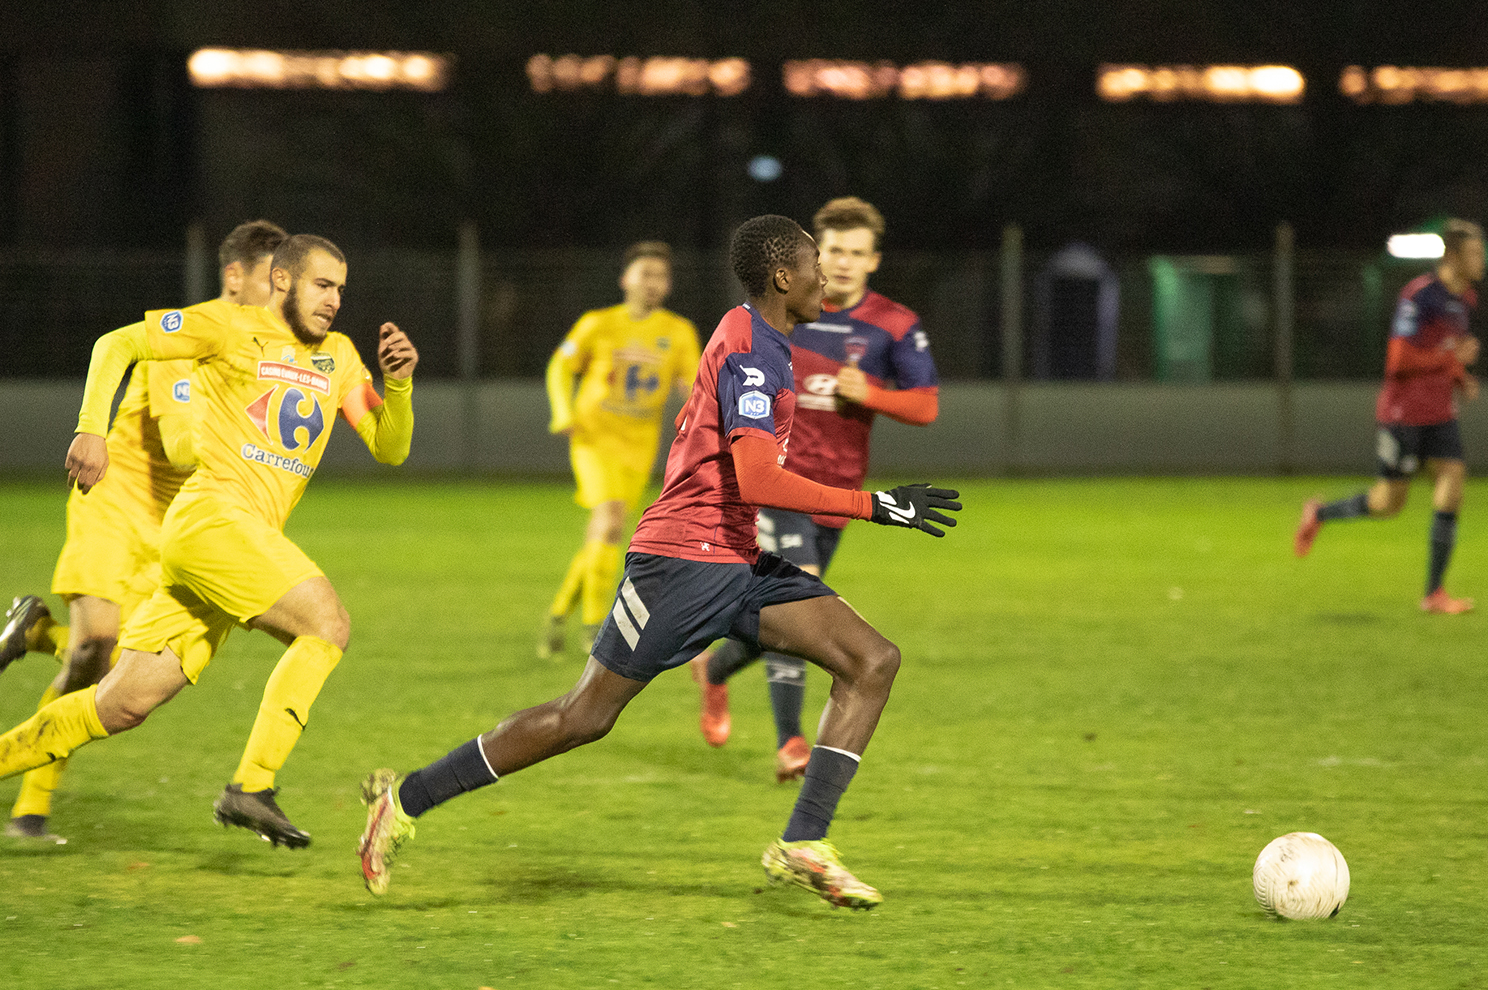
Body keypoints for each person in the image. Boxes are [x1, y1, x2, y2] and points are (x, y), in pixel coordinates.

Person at [358, 214, 960, 908]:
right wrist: (877, 506)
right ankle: (406, 800)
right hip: (684, 561)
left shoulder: (759, 335)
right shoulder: (756, 352)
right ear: (784, 277)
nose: (828, 277)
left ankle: (803, 843)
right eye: (816, 266)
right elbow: (760, 478)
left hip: (736, 558)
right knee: (582, 717)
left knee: (871, 661)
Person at [0, 234, 418, 848]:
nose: (334, 301)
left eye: (340, 290)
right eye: (322, 285)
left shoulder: (342, 357)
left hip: (233, 546)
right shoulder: (226, 326)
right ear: (283, 281)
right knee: (326, 623)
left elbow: (390, 447)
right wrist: (90, 428)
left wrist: (399, 385)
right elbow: (115, 343)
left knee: (120, 704)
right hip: (211, 520)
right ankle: (252, 786)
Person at [0, 221, 288, 844]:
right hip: (116, 498)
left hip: (176, 528)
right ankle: (30, 806)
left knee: (114, 676)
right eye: (272, 279)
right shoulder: (194, 330)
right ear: (235, 278)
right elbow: (182, 441)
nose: (281, 293)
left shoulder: (272, 351)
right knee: (95, 648)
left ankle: (29, 801)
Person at [690, 197, 939, 781]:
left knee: (774, 615)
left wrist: (871, 393)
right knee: (796, 601)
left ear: (874, 259)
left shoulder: (894, 325)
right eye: (833, 252)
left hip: (835, 493)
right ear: (812, 255)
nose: (844, 264)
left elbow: (926, 406)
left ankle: (716, 670)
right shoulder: (781, 314)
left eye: (857, 253)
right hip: (776, 485)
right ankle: (792, 742)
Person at [1295, 219, 1487, 614]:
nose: (1481, 260)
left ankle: (1434, 593)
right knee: (1388, 504)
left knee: (1453, 480)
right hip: (1403, 414)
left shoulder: (1466, 299)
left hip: (1439, 413)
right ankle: (1319, 513)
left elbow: (1441, 351)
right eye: (1475, 253)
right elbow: (1399, 362)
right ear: (1453, 256)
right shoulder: (1420, 296)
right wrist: (1452, 360)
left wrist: (1459, 376)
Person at [540, 242, 699, 657]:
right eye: (644, 273)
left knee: (604, 532)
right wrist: (562, 412)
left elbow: (695, 386)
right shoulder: (598, 323)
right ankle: (595, 628)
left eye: (660, 276)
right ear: (625, 278)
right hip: (593, 437)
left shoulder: (678, 332)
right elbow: (561, 366)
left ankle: (558, 615)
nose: (653, 283)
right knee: (609, 521)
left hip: (639, 446)